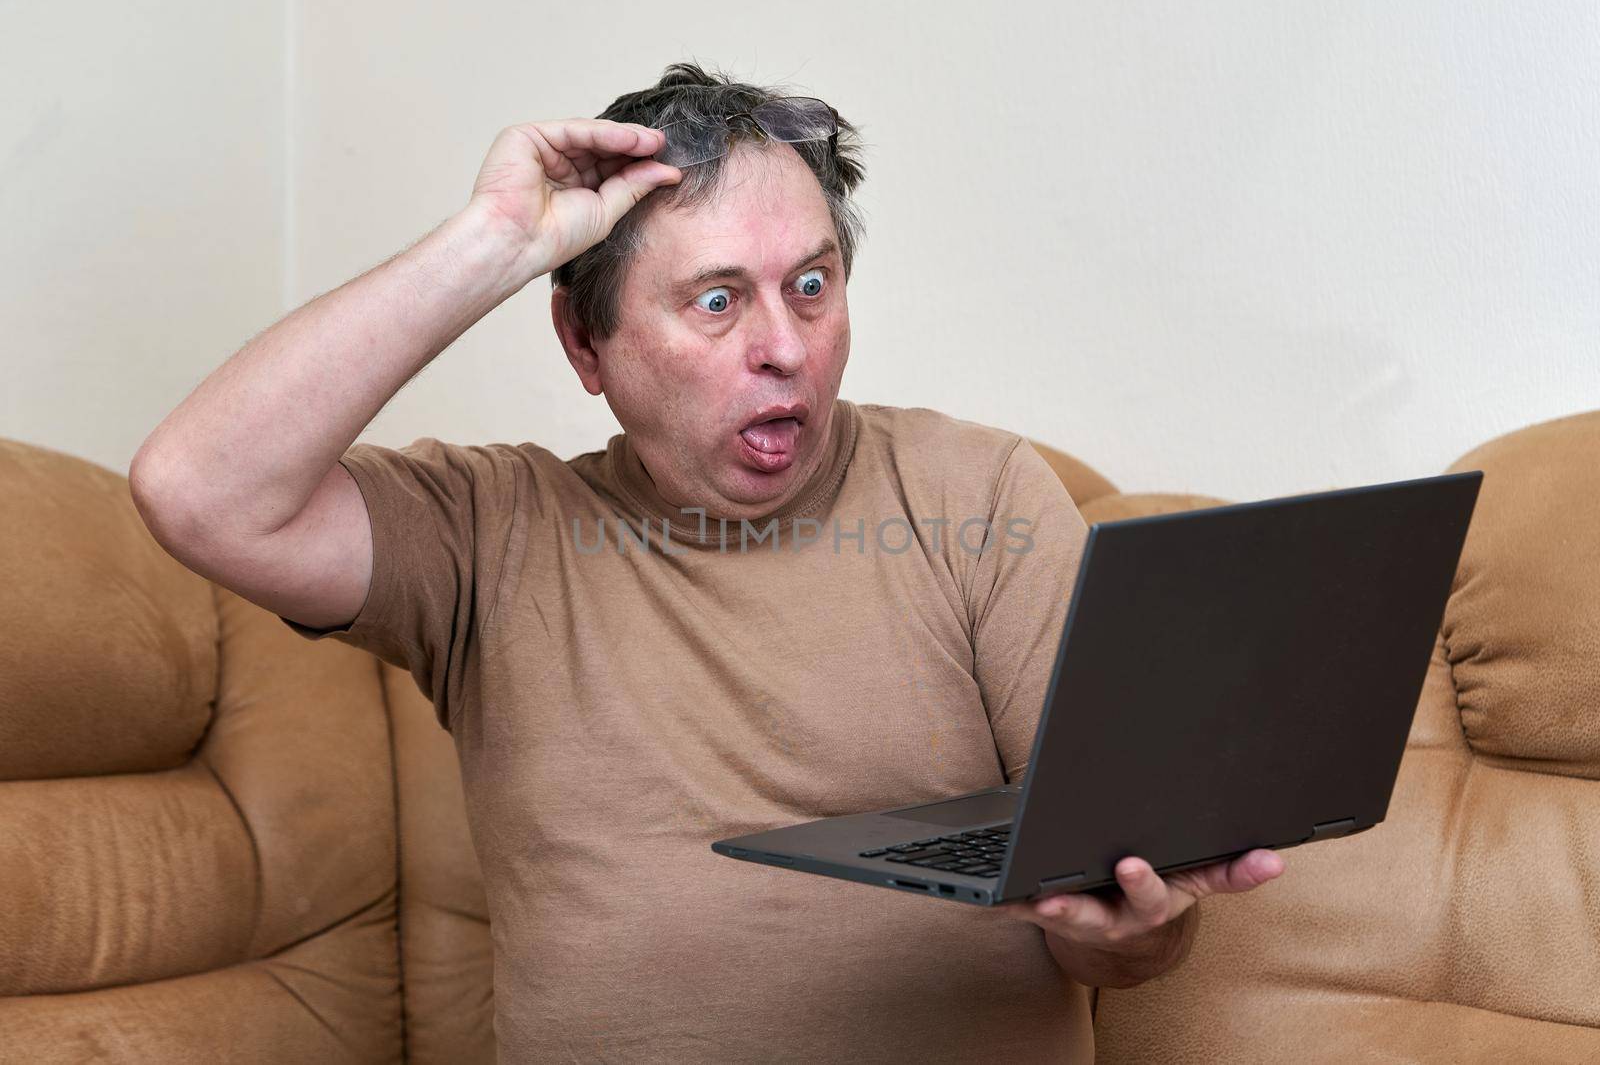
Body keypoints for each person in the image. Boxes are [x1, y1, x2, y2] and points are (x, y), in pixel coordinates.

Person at [131, 60, 1285, 1063]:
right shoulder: (489, 530)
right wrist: (488, 245)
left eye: (813, 285)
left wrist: (1142, 929)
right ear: (587, 344)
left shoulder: (976, 494)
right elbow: (199, 491)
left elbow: (1133, 900)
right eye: (718, 299)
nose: (785, 347)